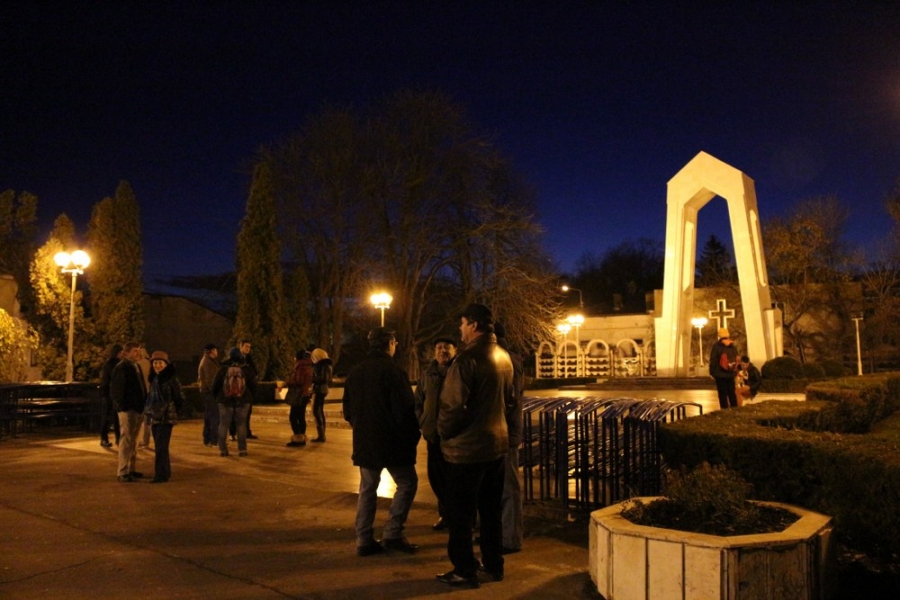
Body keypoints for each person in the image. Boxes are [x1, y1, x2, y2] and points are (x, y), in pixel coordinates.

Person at [436, 303, 515, 588]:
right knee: (490, 510)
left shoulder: (467, 360)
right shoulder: (503, 356)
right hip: (496, 445)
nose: (460, 329)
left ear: (474, 325)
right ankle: (493, 565)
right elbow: (509, 400)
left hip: (467, 450)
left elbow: (451, 407)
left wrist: (444, 434)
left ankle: (464, 569)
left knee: (460, 513)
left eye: (463, 323)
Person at [343, 327, 421, 557]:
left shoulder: (356, 372)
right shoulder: (394, 372)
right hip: (393, 441)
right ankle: (393, 532)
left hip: (366, 441)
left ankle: (364, 539)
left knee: (367, 489)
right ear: (390, 344)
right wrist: (412, 437)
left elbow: (348, 410)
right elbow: (406, 410)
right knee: (407, 483)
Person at [414, 337, 458, 531]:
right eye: (439, 348)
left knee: (454, 479)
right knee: (436, 477)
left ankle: (460, 516)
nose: (443, 351)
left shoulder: (459, 371)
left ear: (455, 351)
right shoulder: (427, 373)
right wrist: (422, 421)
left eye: (447, 348)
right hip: (433, 435)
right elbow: (418, 401)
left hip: (454, 436)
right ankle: (447, 515)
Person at [494, 322, 525, 555]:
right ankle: (503, 534)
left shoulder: (505, 360)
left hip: (504, 433)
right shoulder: (504, 357)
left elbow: (509, 400)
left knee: (507, 487)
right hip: (502, 431)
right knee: (501, 487)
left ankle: (510, 538)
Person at [110, 342, 147, 482]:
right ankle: (123, 470)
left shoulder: (135, 366)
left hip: (137, 408)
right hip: (128, 409)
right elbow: (116, 390)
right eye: (135, 351)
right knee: (126, 439)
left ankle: (131, 468)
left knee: (134, 440)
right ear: (126, 353)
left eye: (138, 350)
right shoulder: (122, 368)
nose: (138, 353)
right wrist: (122, 407)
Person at [145, 350, 184, 483]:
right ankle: (164, 472)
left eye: (160, 363)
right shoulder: (155, 379)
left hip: (166, 417)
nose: (157, 365)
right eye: (155, 363)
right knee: (160, 446)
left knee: (161, 446)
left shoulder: (170, 378)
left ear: (166, 364)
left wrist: (172, 410)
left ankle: (160, 475)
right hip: (155, 416)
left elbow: (179, 397)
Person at [213, 347, 255, 457]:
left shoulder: (223, 369)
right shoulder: (246, 369)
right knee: (241, 425)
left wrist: (217, 397)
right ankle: (242, 450)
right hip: (243, 400)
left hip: (224, 400)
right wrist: (250, 397)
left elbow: (215, 385)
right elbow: (254, 386)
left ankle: (223, 450)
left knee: (223, 424)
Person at [285, 350, 314, 447]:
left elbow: (298, 381)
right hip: (305, 394)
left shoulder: (300, 367)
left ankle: (298, 439)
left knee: (293, 416)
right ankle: (302, 437)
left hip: (299, 394)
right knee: (301, 416)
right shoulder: (309, 366)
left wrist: (287, 382)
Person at [98, 343, 123, 448]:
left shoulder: (108, 364)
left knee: (108, 416)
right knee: (114, 417)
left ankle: (105, 438)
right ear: (118, 353)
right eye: (121, 352)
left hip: (107, 393)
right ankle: (116, 438)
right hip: (111, 394)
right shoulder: (117, 365)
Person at [709, 327, 739, 409]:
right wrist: (735, 372)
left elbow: (713, 360)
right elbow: (736, 358)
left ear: (719, 336)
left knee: (722, 394)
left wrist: (712, 372)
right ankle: (734, 408)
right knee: (732, 393)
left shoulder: (716, 346)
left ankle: (724, 410)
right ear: (728, 334)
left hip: (720, 374)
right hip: (730, 373)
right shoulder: (732, 345)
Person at [198, 343, 220, 447]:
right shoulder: (208, 362)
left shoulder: (207, 361)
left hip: (206, 392)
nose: (217, 352)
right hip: (209, 393)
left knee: (208, 416)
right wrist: (216, 392)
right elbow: (211, 380)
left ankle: (207, 439)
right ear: (211, 351)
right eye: (215, 350)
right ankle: (214, 440)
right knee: (215, 416)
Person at [310, 347, 333, 443]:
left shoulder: (321, 366)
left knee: (316, 411)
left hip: (319, 390)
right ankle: (322, 434)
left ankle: (321, 435)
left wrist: (311, 379)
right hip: (323, 390)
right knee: (320, 411)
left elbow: (323, 379)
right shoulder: (327, 365)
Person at [137, 346, 153, 449]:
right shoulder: (150, 364)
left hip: (141, 394)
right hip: (150, 393)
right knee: (148, 419)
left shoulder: (137, 364)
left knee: (139, 418)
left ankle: (140, 440)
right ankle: (146, 439)